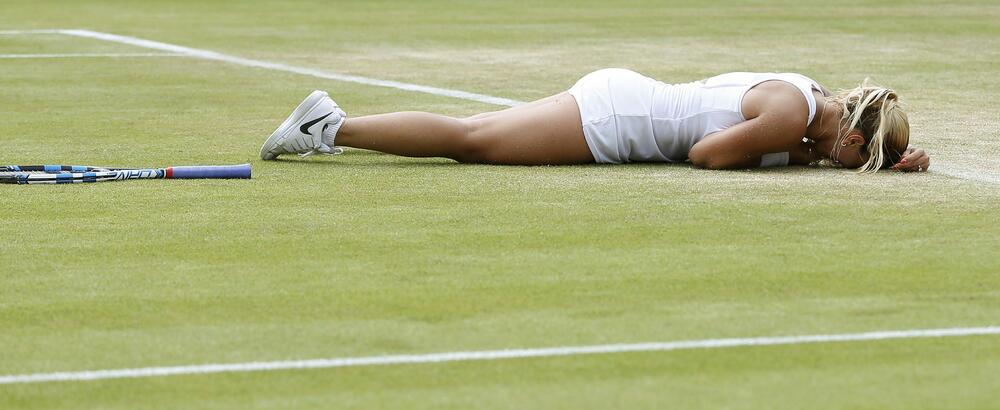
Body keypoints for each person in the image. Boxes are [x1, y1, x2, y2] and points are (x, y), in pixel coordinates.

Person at [259, 68, 930, 173]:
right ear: (853, 133)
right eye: (863, 159)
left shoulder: (811, 107)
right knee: (474, 144)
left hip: (624, 106)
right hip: (620, 119)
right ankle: (330, 127)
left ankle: (333, 127)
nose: (853, 168)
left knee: (474, 135)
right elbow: (706, 156)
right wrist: (805, 160)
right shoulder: (794, 115)